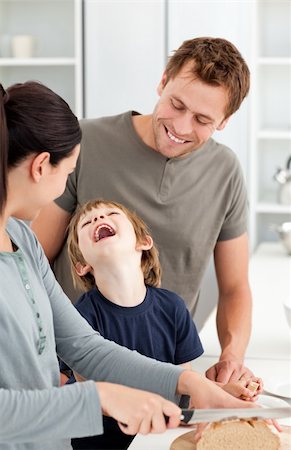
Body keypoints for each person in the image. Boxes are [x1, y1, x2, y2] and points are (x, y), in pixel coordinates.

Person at [0, 81, 256, 450]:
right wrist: (98, 398)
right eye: (68, 172)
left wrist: (191, 384)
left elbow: (86, 347)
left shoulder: (23, 242)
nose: (66, 189)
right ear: (41, 167)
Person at [32, 36, 253, 385]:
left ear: (224, 122)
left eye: (202, 119)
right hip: (75, 372)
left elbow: (235, 287)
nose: (181, 127)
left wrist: (232, 356)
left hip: (168, 376)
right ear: (163, 81)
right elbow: (34, 262)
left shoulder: (225, 171)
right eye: (177, 104)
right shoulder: (85, 142)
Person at [62, 198, 262, 450]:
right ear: (82, 265)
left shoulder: (173, 308)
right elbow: (90, 396)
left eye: (111, 214)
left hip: (157, 439)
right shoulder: (80, 317)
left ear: (143, 242)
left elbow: (182, 388)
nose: (99, 219)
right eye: (87, 223)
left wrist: (223, 392)